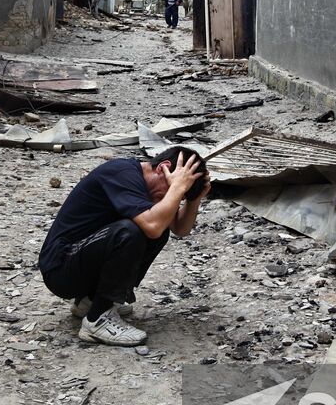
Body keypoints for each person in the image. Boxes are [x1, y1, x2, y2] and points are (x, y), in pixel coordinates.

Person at [39, 147, 209, 346]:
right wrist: (177, 188)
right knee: (132, 231)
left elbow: (180, 229)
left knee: (158, 228)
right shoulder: (122, 174)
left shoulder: (150, 187)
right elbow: (153, 226)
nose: (174, 197)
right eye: (173, 188)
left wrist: (193, 199)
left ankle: (90, 302)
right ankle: (98, 320)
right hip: (61, 269)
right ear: (162, 168)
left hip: (80, 262)